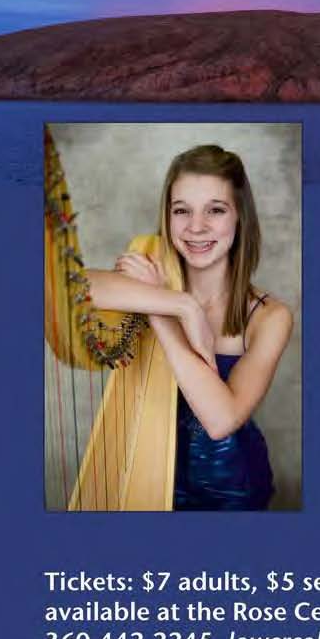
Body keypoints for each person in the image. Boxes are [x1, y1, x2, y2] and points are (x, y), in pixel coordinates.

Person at [87, 144, 293, 510]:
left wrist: (163, 317)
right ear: (167, 218)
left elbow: (220, 420)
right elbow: (71, 286)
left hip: (231, 490)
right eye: (182, 211)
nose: (196, 227)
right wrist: (181, 305)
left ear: (240, 217)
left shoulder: (269, 317)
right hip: (150, 474)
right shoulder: (153, 275)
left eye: (215, 210)